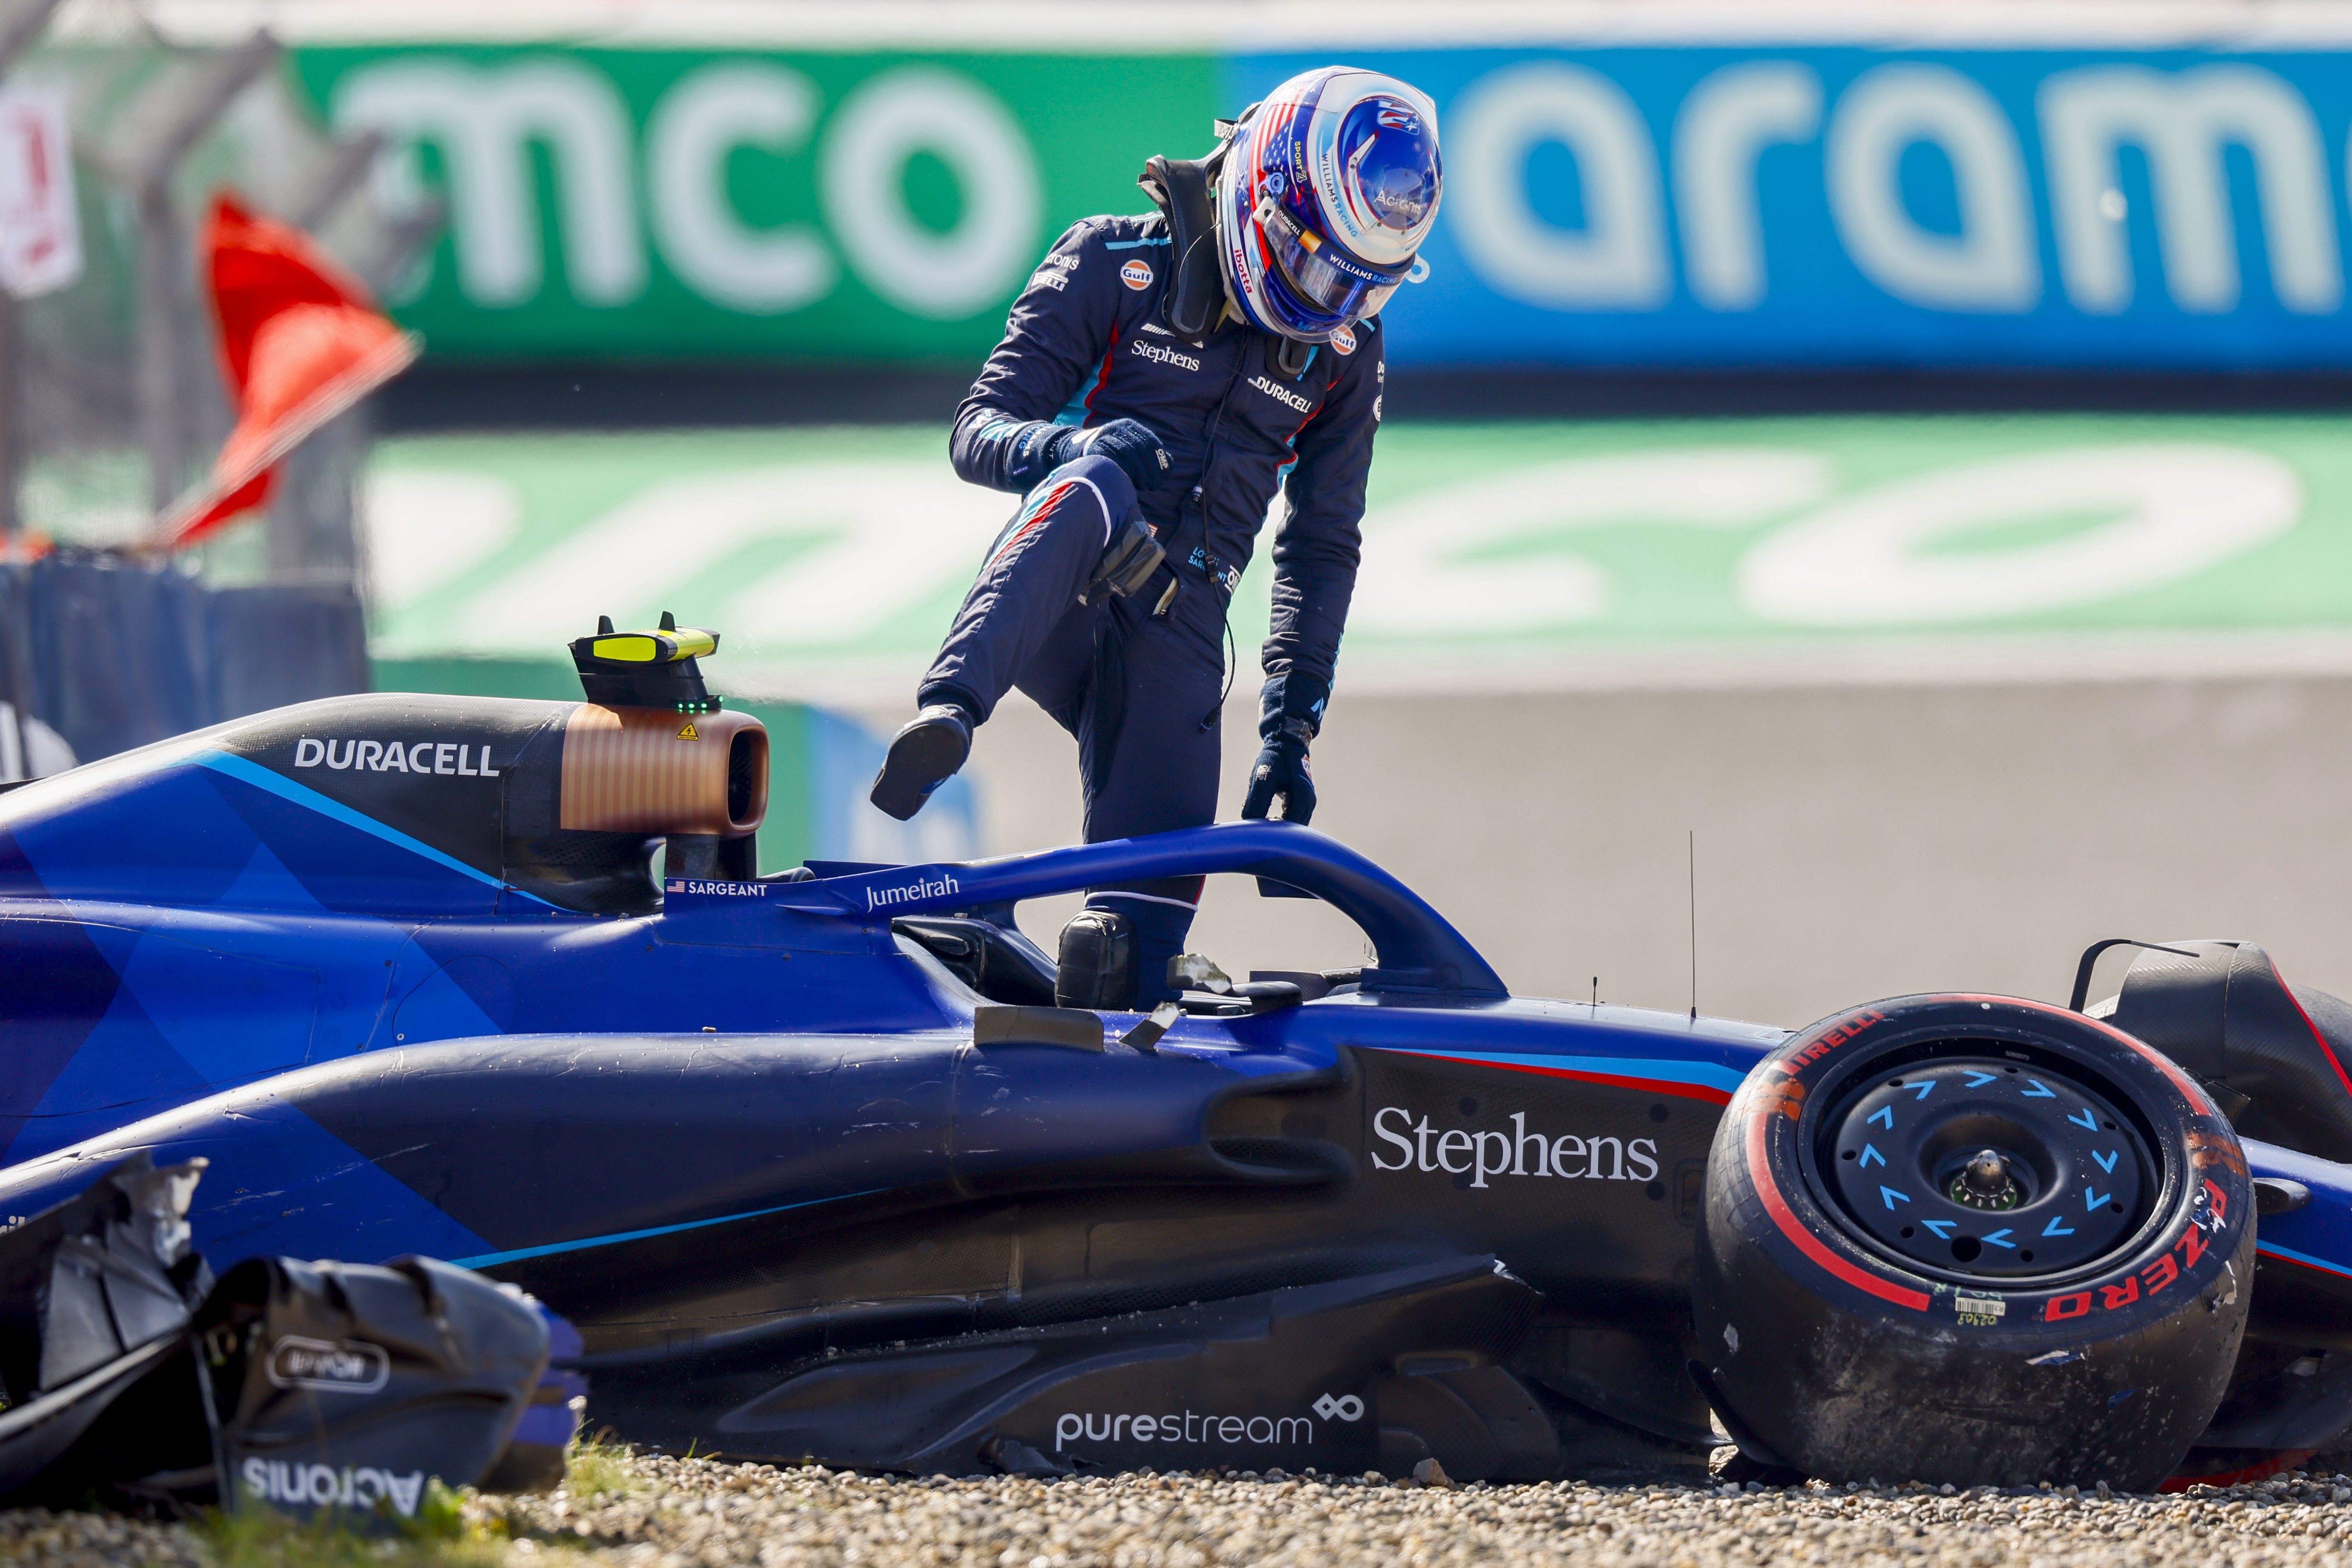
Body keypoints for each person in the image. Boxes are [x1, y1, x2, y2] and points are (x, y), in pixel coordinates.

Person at [869, 66, 1443, 1005]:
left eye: (1359, 285)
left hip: (1180, 634)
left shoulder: (1343, 351)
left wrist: (1290, 730)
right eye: (1314, 265)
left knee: (1130, 965)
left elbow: (1321, 542)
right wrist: (1073, 443)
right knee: (1093, 480)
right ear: (1261, 198)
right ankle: (947, 713)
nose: (1328, 300)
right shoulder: (1108, 261)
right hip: (1064, 579)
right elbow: (976, 430)